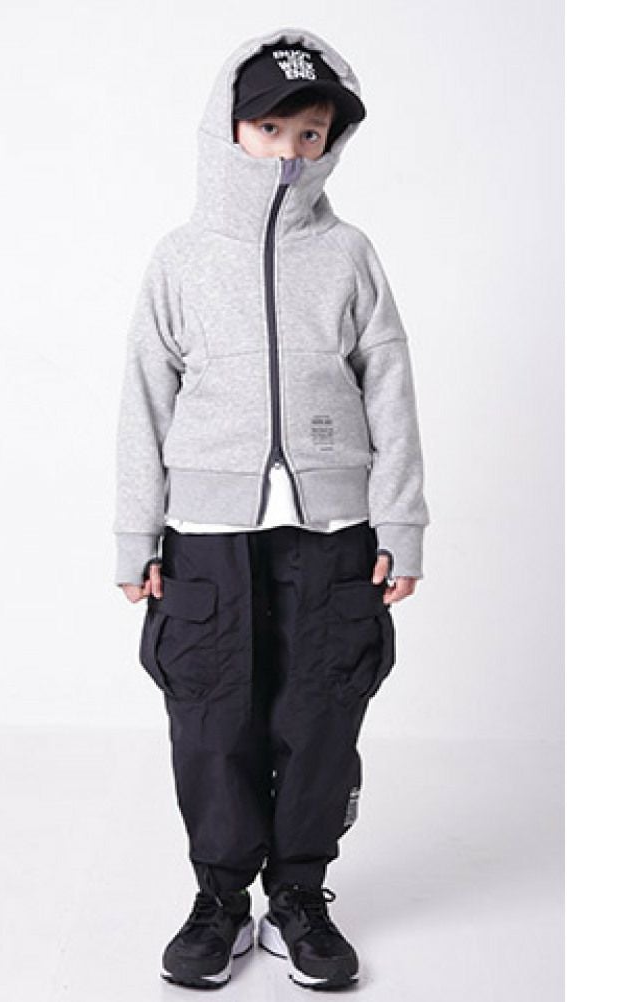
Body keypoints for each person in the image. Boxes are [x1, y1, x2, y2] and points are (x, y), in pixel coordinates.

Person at [113, 26, 430, 991]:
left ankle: (298, 894)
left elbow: (390, 388)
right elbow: (144, 400)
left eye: (311, 133)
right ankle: (221, 898)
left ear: (331, 141)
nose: (290, 150)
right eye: (270, 128)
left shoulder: (348, 254)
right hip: (208, 536)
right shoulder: (180, 259)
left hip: (333, 532)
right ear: (229, 129)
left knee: (321, 711)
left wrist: (401, 523)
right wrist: (136, 533)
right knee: (212, 720)